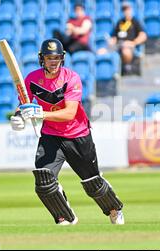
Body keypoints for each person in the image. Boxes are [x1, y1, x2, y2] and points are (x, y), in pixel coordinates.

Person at [9, 39, 124, 225]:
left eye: (56, 58)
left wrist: (39, 113)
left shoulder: (71, 78)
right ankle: (65, 217)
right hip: (51, 136)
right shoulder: (32, 79)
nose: (53, 62)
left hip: (77, 135)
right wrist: (18, 117)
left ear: (62, 58)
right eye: (49, 58)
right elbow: (23, 104)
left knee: (93, 183)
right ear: (42, 59)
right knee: (44, 180)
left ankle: (114, 209)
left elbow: (69, 113)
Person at [108, 1, 147, 74]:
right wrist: (111, 41)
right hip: (118, 45)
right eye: (124, 9)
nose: (126, 11)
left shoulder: (135, 21)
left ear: (131, 9)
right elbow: (114, 36)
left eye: (127, 9)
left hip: (129, 45)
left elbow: (143, 35)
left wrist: (133, 43)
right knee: (101, 51)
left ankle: (126, 66)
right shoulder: (120, 22)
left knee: (125, 50)